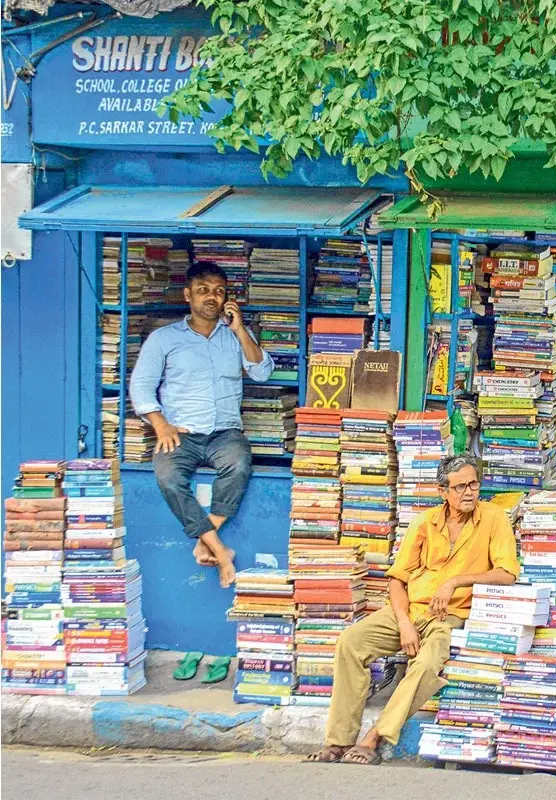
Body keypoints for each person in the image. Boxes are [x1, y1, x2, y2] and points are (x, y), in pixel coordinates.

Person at [307, 455, 519, 766]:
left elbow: (508, 573)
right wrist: (404, 623)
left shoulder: (494, 518)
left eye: (473, 484)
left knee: (427, 663)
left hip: (449, 617)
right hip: (409, 610)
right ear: (442, 491)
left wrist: (458, 581)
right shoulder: (424, 522)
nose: (469, 492)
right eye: (460, 487)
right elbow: (397, 579)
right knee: (350, 642)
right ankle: (338, 741)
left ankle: (374, 738)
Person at [129, 262, 274, 587]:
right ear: (187, 295)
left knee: (238, 465)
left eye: (219, 291)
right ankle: (220, 549)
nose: (212, 297)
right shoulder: (163, 339)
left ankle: (204, 540)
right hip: (180, 433)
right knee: (167, 478)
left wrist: (239, 330)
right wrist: (160, 425)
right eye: (203, 290)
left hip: (225, 434)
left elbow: (262, 372)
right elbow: (141, 386)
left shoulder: (235, 335)